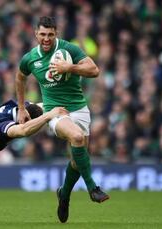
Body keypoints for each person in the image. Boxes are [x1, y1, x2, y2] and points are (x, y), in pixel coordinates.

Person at [15, 16, 109, 223]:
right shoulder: (30, 58)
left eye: (50, 34)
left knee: (78, 160)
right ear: (35, 34)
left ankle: (64, 194)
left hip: (80, 109)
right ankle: (93, 188)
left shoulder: (70, 50)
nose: (46, 38)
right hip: (56, 111)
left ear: (56, 33)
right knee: (76, 137)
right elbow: (20, 77)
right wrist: (21, 108)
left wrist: (70, 68)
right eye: (42, 34)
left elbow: (94, 70)